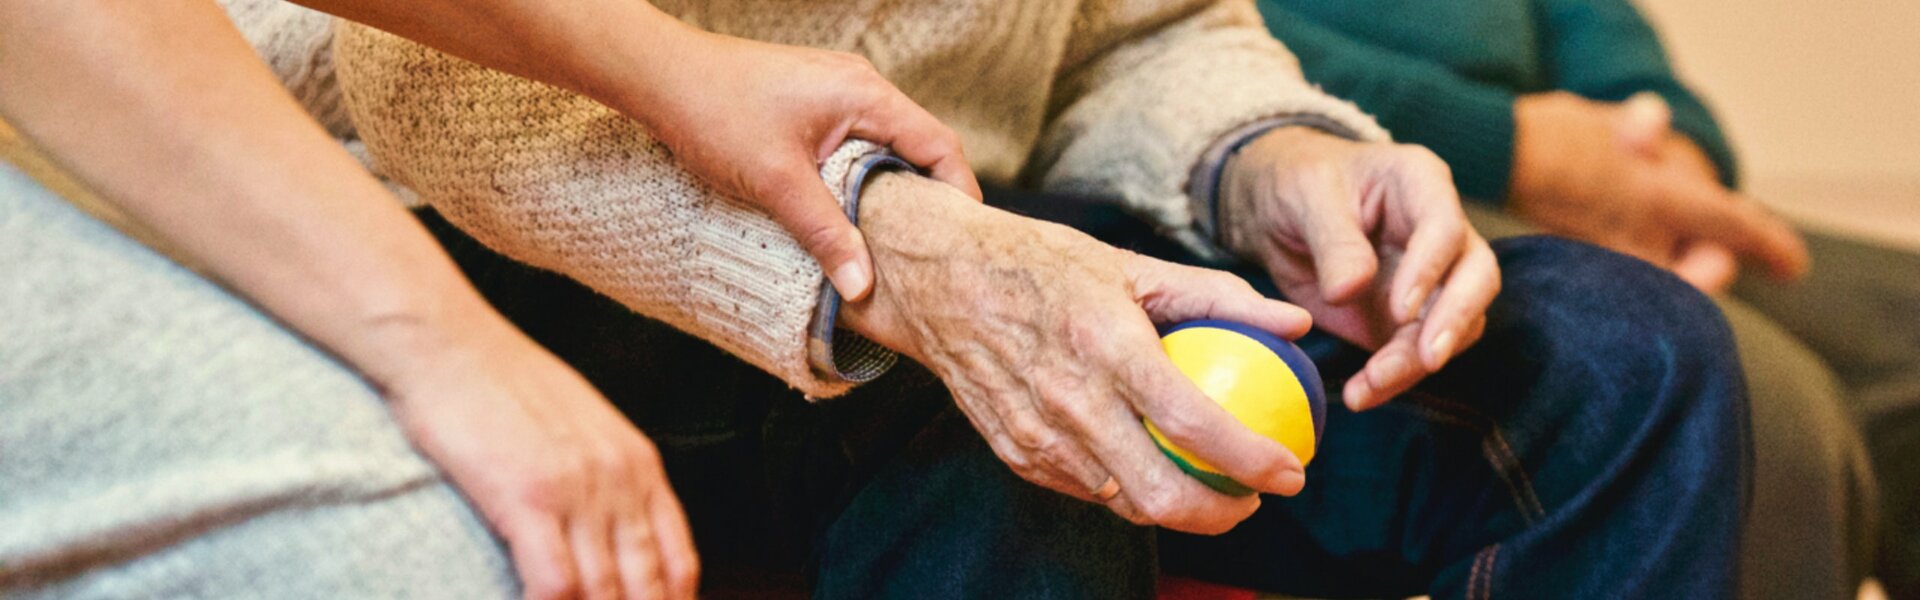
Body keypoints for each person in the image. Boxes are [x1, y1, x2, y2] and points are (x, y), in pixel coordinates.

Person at [2, 3, 1745, 600]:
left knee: (1624, 360)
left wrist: (1268, 157)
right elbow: (414, 77)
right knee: (1010, 432)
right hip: (578, 267)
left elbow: (1138, 31)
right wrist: (883, 249)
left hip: (997, 229)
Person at [1249, 1, 1916, 597]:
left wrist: (1671, 149)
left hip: (1591, 164)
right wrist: (1515, 149)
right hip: (1334, 173)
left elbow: (1592, 19)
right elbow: (1186, 39)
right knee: (1744, 396)